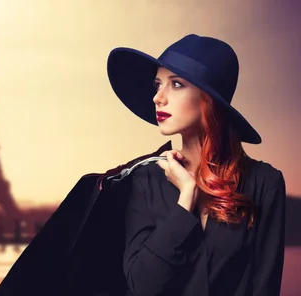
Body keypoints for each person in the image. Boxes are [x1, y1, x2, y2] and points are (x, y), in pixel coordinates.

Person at [106, 34, 286, 295]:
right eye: (158, 85)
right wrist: (186, 198)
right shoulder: (146, 179)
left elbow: (264, 286)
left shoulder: (264, 183)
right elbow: (142, 286)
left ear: (209, 99)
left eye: (176, 84)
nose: (158, 97)